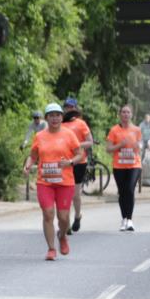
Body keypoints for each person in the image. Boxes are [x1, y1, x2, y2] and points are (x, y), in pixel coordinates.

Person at [22, 103, 83, 260]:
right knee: (48, 214)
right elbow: (33, 156)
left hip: (65, 182)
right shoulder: (40, 136)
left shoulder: (69, 134)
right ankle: (51, 249)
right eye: (51, 115)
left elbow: (79, 154)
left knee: (63, 217)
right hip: (45, 182)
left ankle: (62, 236)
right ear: (46, 118)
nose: (55, 118)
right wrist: (27, 165)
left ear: (62, 117)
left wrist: (70, 162)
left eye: (57, 115)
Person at [106, 105, 143, 231]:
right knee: (122, 192)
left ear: (131, 115)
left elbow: (140, 146)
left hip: (134, 165)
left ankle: (130, 220)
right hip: (119, 166)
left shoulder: (137, 130)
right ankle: (124, 219)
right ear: (120, 114)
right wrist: (120, 145)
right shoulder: (114, 130)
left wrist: (138, 146)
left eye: (128, 112)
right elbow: (108, 149)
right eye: (123, 112)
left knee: (130, 190)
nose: (126, 114)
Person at [61, 98, 93, 234]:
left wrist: (76, 145)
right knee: (64, 193)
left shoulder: (81, 123)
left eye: (71, 107)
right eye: (66, 107)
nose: (68, 109)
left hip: (79, 162)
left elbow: (90, 142)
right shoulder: (60, 123)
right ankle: (66, 224)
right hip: (64, 162)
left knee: (75, 194)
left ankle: (78, 215)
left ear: (75, 108)